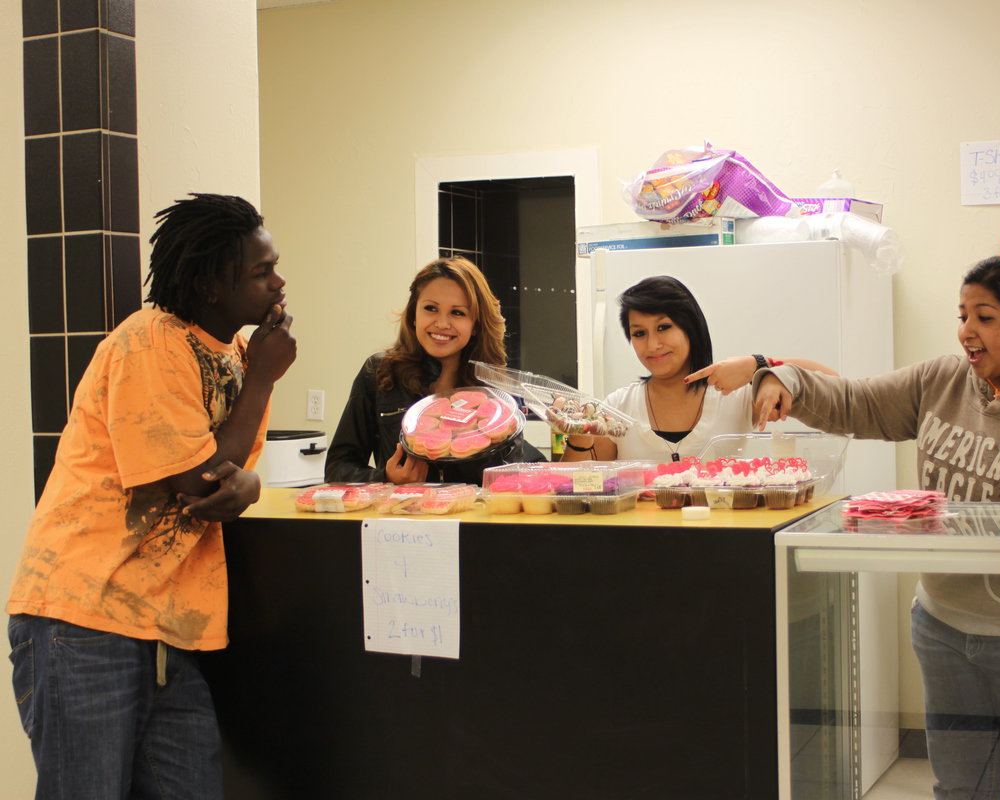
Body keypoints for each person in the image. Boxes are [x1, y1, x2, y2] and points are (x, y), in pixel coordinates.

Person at [752, 255, 1000, 800]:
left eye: (985, 317)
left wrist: (987, 545)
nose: (966, 332)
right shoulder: (942, 381)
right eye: (962, 315)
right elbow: (857, 402)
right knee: (960, 785)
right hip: (945, 628)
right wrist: (785, 378)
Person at [7, 193, 296, 798]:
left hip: (166, 628)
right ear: (211, 285)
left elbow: (231, 472)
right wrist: (264, 385)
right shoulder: (151, 343)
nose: (278, 282)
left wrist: (243, 477)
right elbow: (203, 483)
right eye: (260, 271)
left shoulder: (238, 355)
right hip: (86, 619)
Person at [562, 275, 835, 463]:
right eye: (639, 333)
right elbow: (576, 488)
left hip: (725, 539)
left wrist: (759, 365)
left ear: (690, 327)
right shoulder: (617, 408)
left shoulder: (736, 395)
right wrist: (579, 434)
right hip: (642, 543)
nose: (653, 345)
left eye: (664, 327)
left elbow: (834, 386)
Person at [325, 255, 542, 486]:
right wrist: (386, 478)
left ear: (476, 324)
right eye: (431, 308)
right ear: (414, 315)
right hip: (402, 518)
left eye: (457, 313)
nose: (441, 323)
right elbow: (338, 468)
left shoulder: (494, 392)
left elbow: (521, 473)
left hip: (473, 519)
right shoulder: (379, 373)